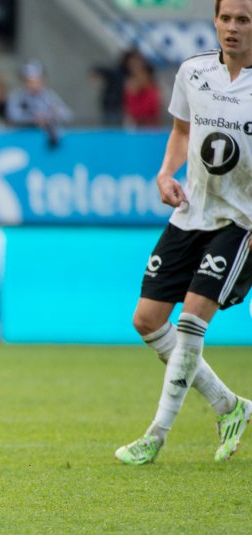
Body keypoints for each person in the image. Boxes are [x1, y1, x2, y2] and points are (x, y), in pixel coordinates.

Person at [115, 0, 252, 465]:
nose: (232, 28)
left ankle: (156, 434)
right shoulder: (193, 72)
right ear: (215, 20)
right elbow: (180, 130)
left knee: (192, 320)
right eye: (226, 18)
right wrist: (165, 173)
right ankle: (229, 407)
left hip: (241, 222)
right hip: (190, 213)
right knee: (147, 320)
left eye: (244, 20)